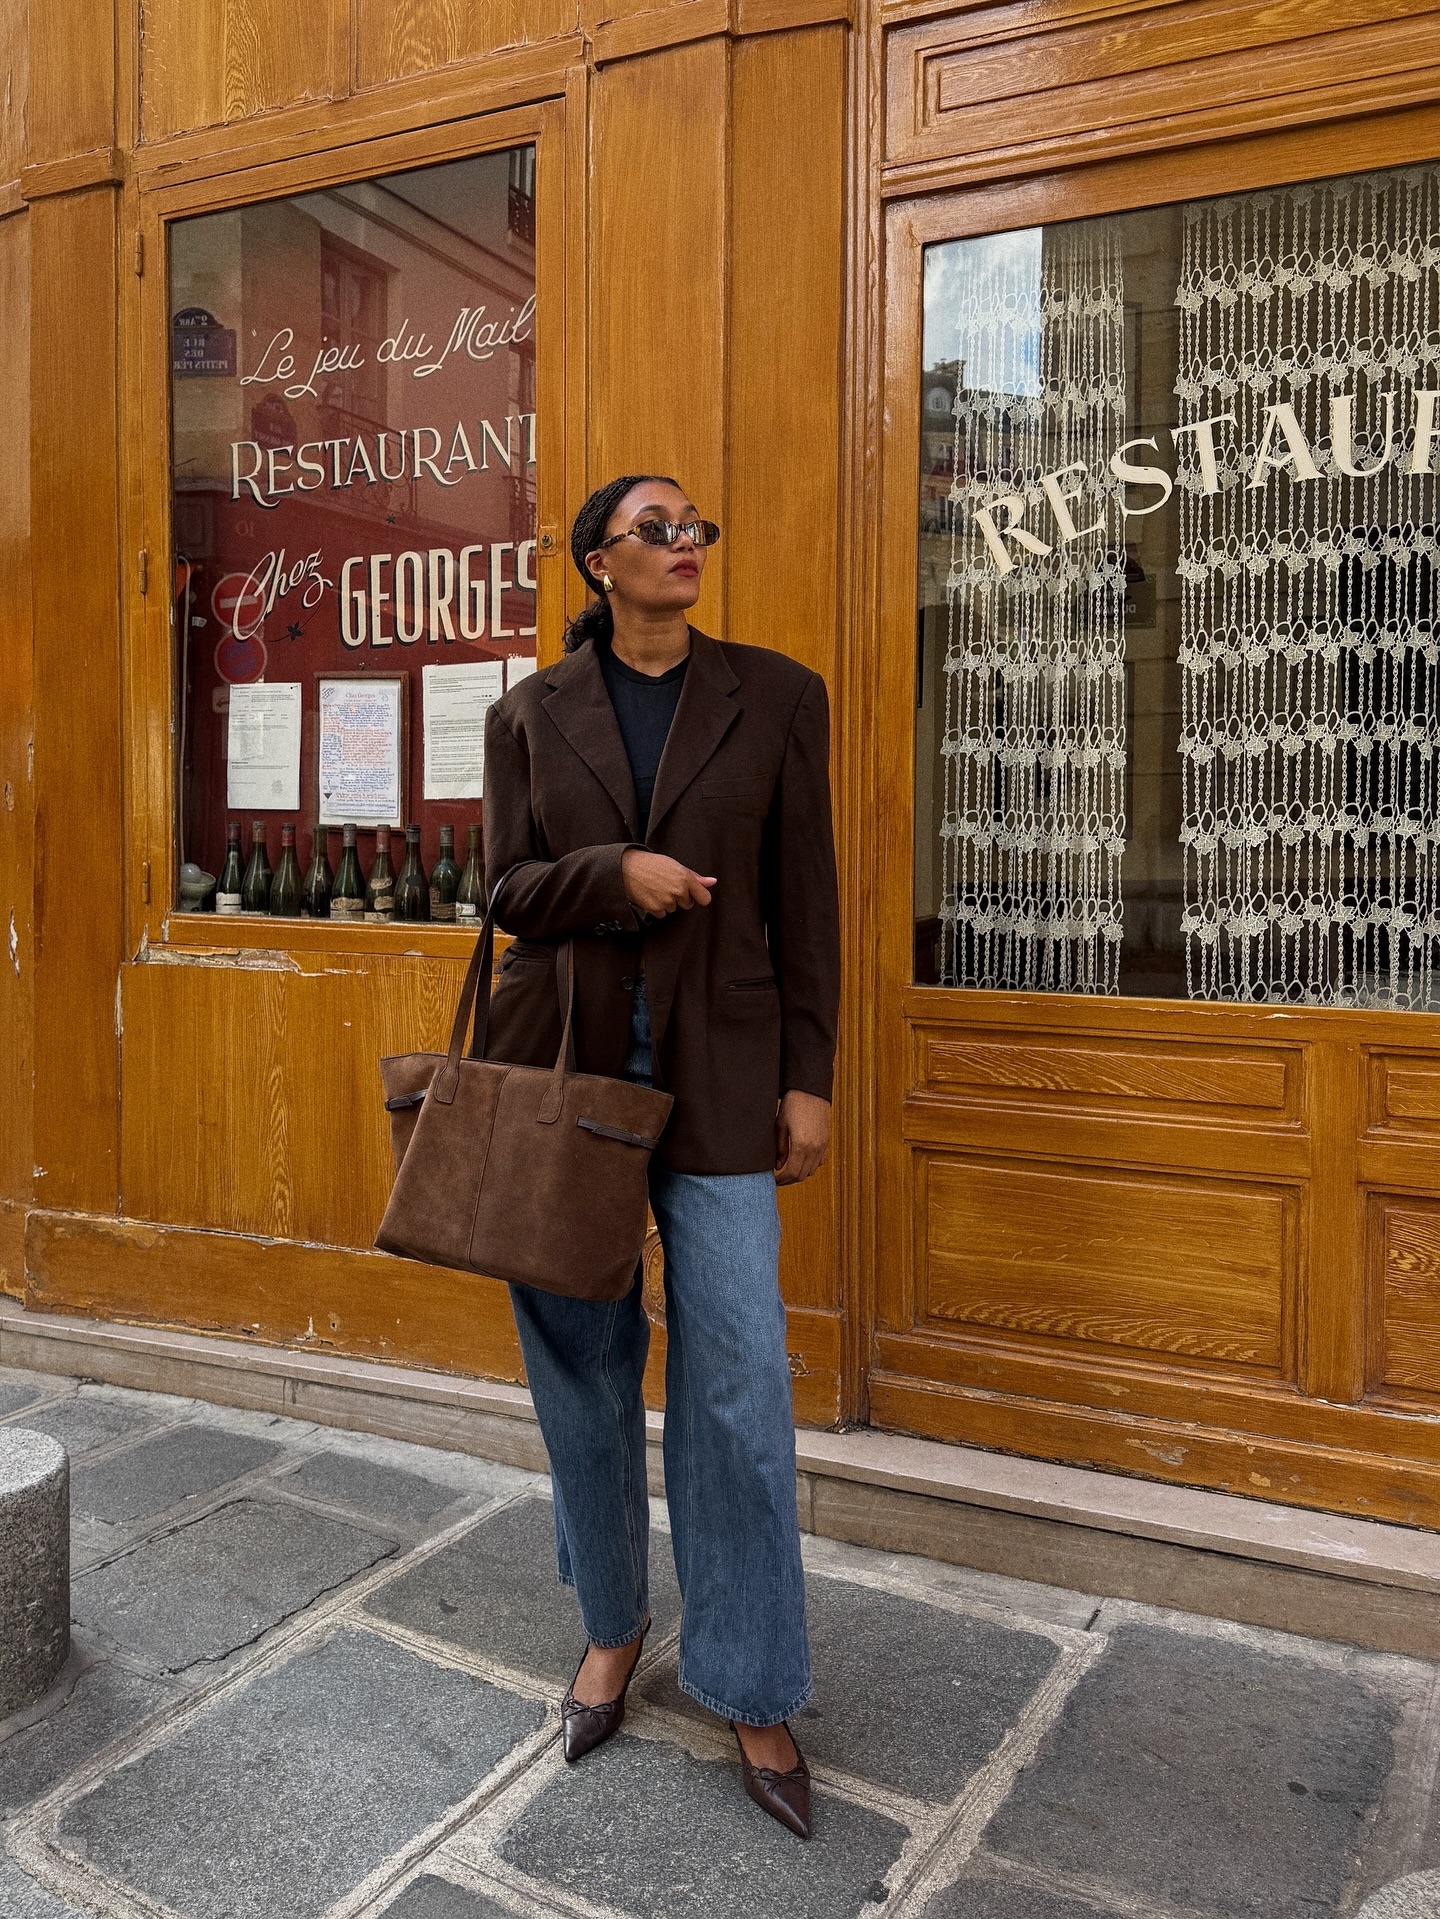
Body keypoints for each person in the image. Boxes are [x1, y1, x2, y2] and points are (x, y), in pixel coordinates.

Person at [480, 473, 840, 1839]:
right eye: (657, 530)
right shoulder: (530, 713)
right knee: (578, 1357)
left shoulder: (777, 695)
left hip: (728, 1072)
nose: (687, 546)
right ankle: (613, 1627)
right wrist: (609, 874)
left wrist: (808, 1080)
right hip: (569, 1067)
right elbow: (506, 888)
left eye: (698, 527)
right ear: (596, 564)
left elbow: (807, 899)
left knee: (739, 1369)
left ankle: (752, 1678)